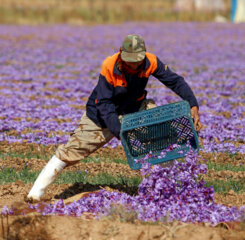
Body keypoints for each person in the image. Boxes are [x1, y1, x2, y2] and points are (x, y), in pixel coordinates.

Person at [26, 34, 202, 202]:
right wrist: (120, 131)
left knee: (161, 134)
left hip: (134, 108)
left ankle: (167, 190)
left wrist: (192, 103)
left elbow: (175, 81)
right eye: (129, 62)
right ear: (121, 54)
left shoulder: (151, 61)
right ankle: (35, 193)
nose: (133, 66)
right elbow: (104, 104)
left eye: (137, 62)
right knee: (71, 151)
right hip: (100, 115)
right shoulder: (110, 65)